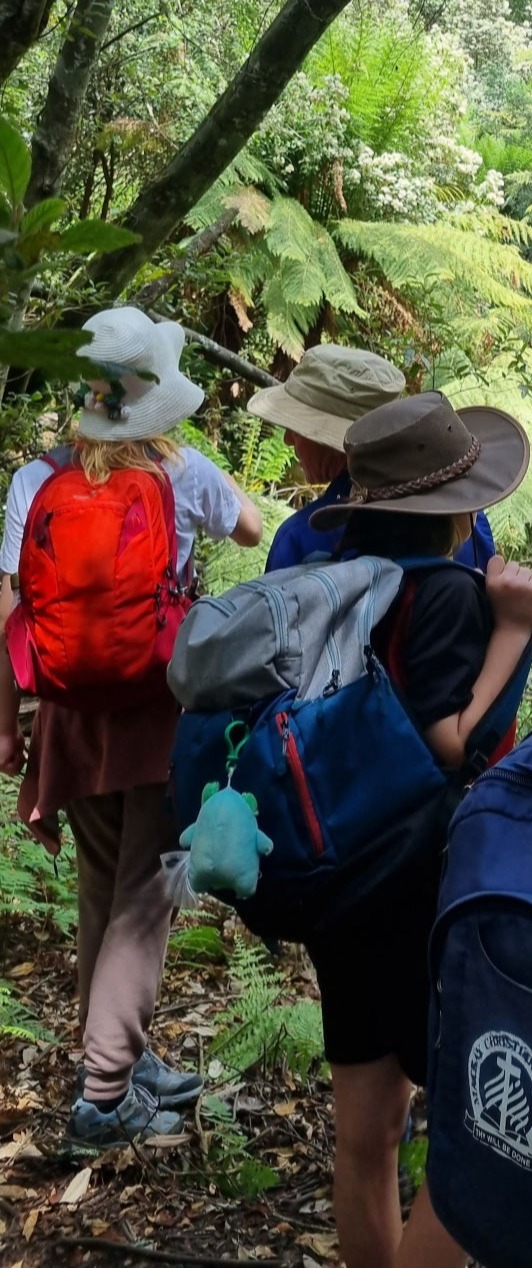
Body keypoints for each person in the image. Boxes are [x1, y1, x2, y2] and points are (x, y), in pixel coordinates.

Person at [0, 307, 263, 1149]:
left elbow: (7, 607)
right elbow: (255, 527)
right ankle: (104, 1094)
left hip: (70, 716)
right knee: (147, 901)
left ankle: (116, 1055)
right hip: (156, 716)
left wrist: (7, 732)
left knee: (103, 887)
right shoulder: (183, 473)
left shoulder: (36, 481)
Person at [300, 392, 532, 1268]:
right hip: (416, 888)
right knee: (465, 1140)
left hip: (339, 876)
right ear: (460, 509)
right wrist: (512, 629)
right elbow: (449, 739)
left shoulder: (333, 583)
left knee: (365, 1132)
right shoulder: (442, 594)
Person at [248, 344, 496, 572]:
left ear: (326, 440)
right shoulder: (467, 514)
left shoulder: (300, 539)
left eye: (296, 428)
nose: (288, 440)